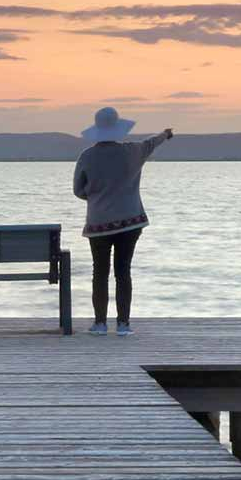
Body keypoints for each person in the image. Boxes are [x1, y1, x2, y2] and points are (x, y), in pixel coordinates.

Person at [73, 106, 173, 336]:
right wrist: (166, 134)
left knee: (99, 273)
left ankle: (99, 324)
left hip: (98, 224)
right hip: (130, 222)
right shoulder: (134, 151)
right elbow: (152, 142)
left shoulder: (87, 156)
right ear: (118, 129)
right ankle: (123, 325)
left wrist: (96, 196)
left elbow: (78, 190)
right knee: (123, 272)